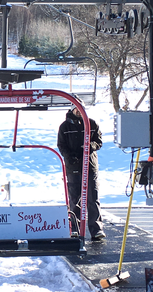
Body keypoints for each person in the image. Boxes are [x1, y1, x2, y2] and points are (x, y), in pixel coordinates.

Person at [57, 98, 105, 240]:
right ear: (72, 110)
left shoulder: (91, 123)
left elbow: (99, 141)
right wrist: (70, 156)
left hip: (89, 165)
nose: (79, 112)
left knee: (92, 197)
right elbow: (61, 145)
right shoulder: (65, 127)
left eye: (81, 109)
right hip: (74, 166)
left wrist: (90, 147)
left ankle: (96, 229)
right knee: (75, 197)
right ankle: (75, 228)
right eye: (76, 109)